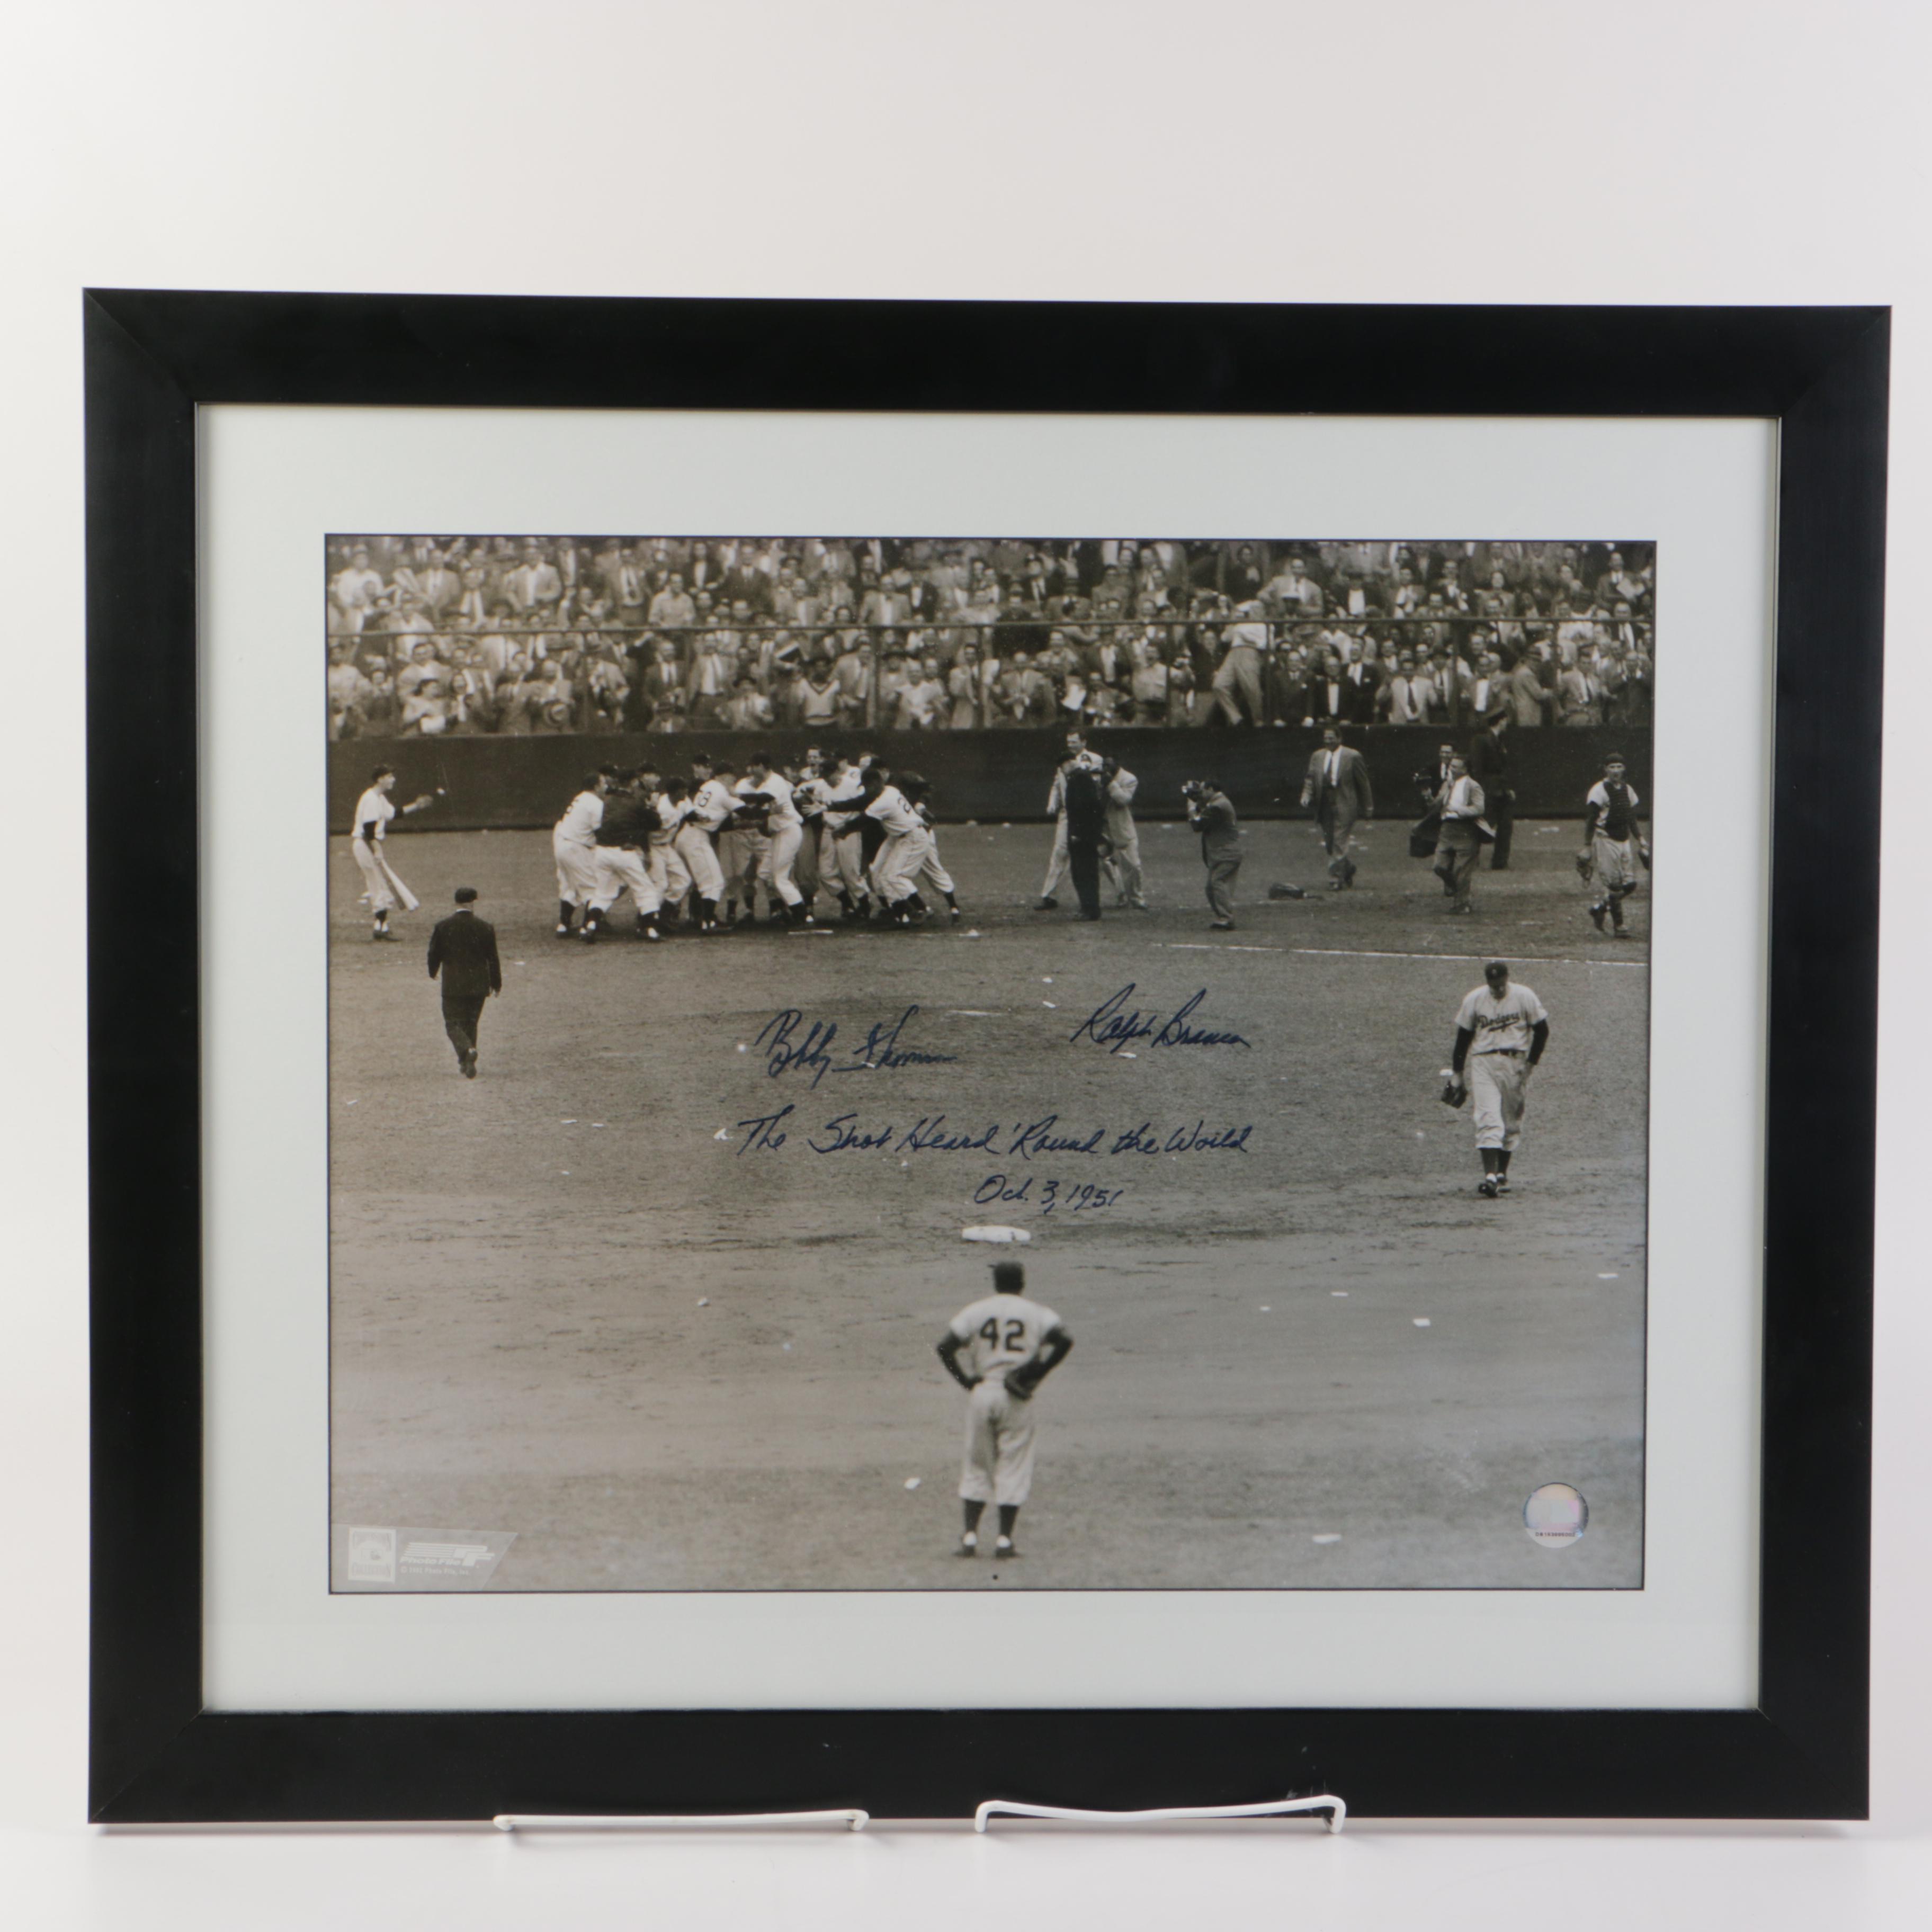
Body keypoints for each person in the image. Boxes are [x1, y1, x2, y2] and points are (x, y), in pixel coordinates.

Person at [935, 1259, 1074, 1561]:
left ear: (996, 1283)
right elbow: (1065, 1340)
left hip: (984, 1391)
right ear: (1022, 1284)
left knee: (977, 1464)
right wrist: (1040, 1371)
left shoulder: (976, 1310)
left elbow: (944, 1347)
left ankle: (970, 1538)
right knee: (1014, 1465)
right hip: (1017, 1397)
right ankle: (1003, 1542)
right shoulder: (1037, 1312)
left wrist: (966, 1381)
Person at [1446, 960, 1550, 1197]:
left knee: (1511, 1122)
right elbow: (1463, 1039)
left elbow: (1543, 1031)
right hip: (1483, 1063)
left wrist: (1531, 1065)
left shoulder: (1525, 996)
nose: (1497, 989)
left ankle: (1502, 1174)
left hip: (1516, 1063)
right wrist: (1458, 1074)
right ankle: (1490, 1177)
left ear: (1507, 978)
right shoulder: (1474, 999)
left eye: (1501, 984)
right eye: (1493, 985)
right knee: (1488, 1118)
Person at [348, 765, 435, 941]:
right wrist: (378, 850)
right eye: (389, 777)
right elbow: (368, 829)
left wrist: (416, 806)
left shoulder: (379, 798)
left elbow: (393, 814)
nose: (393, 780)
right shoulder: (372, 799)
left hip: (367, 844)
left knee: (380, 885)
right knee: (380, 885)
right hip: (367, 844)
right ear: (380, 779)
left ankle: (381, 927)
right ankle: (381, 928)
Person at [426, 887, 503, 1079]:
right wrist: (496, 983)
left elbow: (434, 953)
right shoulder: (485, 927)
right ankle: (467, 1060)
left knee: (452, 1023)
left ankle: (467, 1051)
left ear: (457, 903)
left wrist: (433, 971)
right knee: (471, 1022)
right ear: (472, 903)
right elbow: (493, 958)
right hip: (478, 984)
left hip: (453, 984)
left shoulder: (443, 926)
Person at [583, 773, 665, 943]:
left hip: (602, 852)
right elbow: (656, 824)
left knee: (603, 893)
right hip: (624, 852)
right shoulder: (636, 802)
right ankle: (650, 930)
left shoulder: (607, 800)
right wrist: (653, 807)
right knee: (646, 890)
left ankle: (590, 926)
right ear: (633, 783)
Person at [1580, 753, 1649, 937]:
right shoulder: (1599, 790)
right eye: (1612, 767)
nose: (1616, 771)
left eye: (1619, 767)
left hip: (1624, 839)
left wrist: (1640, 838)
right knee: (1615, 886)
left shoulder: (1628, 789)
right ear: (1605, 769)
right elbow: (1591, 819)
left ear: (1624, 769)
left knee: (1630, 884)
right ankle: (1619, 927)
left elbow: (1631, 817)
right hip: (1606, 839)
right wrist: (1587, 846)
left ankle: (1600, 908)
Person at [1299, 726, 1374, 890]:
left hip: (1345, 804)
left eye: (1331, 738)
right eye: (1326, 738)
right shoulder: (1317, 756)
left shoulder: (1353, 756)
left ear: (1340, 739)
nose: (1328, 741)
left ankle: (1335, 879)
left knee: (1339, 841)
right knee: (1330, 843)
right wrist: (1306, 795)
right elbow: (1310, 778)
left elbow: (1363, 783)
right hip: (1324, 804)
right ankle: (1348, 869)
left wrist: (1368, 807)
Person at [1034, 732, 1101, 909]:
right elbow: (1057, 784)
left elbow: (1095, 790)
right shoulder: (1064, 762)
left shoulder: (1094, 760)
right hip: (1068, 813)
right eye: (1068, 742)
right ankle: (1049, 895)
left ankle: (1122, 894)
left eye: (1074, 741)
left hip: (1087, 814)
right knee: (1060, 852)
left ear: (1084, 742)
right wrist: (1052, 803)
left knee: (1103, 856)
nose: (1070, 745)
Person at [551, 771, 608, 936]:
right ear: (596, 786)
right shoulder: (595, 803)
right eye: (603, 783)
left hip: (563, 844)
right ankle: (587, 928)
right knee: (594, 888)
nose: (606, 787)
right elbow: (600, 832)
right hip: (577, 847)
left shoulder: (580, 797)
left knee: (571, 887)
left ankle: (563, 925)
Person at [1431, 754, 1487, 914]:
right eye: (1451, 767)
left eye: (1456, 767)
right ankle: (1459, 891)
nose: (1452, 769)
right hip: (1447, 830)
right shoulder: (1448, 784)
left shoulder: (1473, 786)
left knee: (1462, 870)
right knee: (1439, 866)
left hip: (1466, 831)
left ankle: (1462, 904)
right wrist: (1428, 795)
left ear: (1465, 769)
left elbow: (1479, 808)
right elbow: (1435, 804)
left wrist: (1458, 810)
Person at [1184, 777, 1242, 929]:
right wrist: (1196, 801)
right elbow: (1205, 811)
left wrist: (1191, 808)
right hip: (1223, 852)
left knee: (1217, 882)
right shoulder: (1217, 802)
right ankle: (1222, 917)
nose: (1201, 794)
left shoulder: (1218, 806)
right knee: (1211, 887)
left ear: (1211, 790)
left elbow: (1198, 825)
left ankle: (1227, 918)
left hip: (1227, 852)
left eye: (1203, 790)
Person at [1465, 708, 1516, 869]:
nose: (1507, 723)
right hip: (1488, 790)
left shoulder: (1499, 741)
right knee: (1481, 825)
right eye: (1505, 720)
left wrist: (1507, 789)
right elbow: (1477, 769)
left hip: (1500, 790)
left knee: (1505, 827)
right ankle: (1470, 859)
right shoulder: (1482, 741)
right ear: (1501, 721)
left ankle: (1500, 862)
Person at [1061, 756, 1108, 921]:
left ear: (1068, 764)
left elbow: (1081, 809)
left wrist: (1077, 833)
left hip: (1082, 835)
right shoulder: (1083, 778)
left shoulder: (1079, 779)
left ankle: (1090, 909)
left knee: (1083, 872)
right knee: (1085, 872)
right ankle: (1089, 908)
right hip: (1088, 834)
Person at [1098, 757, 1146, 909]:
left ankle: (1137, 898)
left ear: (1117, 766)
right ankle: (1121, 894)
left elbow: (1124, 800)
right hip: (1103, 826)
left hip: (1121, 827)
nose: (1105, 768)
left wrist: (1111, 784)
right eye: (1104, 765)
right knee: (1105, 861)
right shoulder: (1097, 776)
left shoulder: (1129, 779)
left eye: (1109, 766)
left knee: (1134, 865)